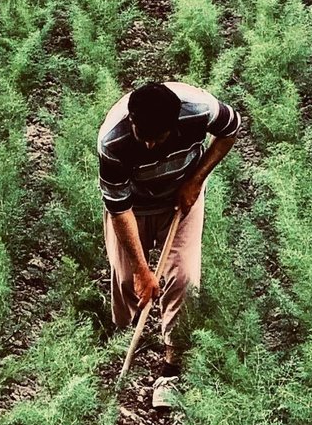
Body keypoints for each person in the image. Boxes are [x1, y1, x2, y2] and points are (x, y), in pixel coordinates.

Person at [98, 80, 243, 374]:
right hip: (133, 207)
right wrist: (142, 270)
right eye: (143, 137)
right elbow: (119, 209)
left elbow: (231, 129)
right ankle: (123, 335)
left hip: (181, 198)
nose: (150, 145)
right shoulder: (113, 140)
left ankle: (173, 360)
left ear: (175, 124)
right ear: (132, 120)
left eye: (158, 138)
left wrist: (196, 179)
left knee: (184, 278)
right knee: (127, 279)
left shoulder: (200, 109)